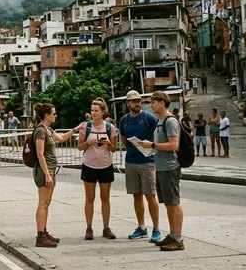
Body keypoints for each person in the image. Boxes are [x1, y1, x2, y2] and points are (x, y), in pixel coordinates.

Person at [137, 90, 185, 251]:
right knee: (168, 203)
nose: (151, 105)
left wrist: (152, 145)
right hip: (161, 167)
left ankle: (177, 238)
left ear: (162, 103)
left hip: (170, 167)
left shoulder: (170, 121)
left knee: (174, 202)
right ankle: (172, 235)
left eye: (153, 102)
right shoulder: (159, 121)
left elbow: (174, 145)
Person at [32, 103, 82, 248]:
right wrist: (47, 174)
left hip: (51, 169)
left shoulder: (48, 129)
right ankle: (40, 236)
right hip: (45, 170)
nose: (56, 115)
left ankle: (44, 232)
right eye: (53, 113)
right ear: (47, 115)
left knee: (47, 203)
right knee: (43, 203)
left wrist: (75, 129)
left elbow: (61, 138)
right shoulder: (40, 131)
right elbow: (40, 154)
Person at [119, 90, 161, 243]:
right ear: (128, 103)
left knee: (150, 195)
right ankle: (141, 227)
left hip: (147, 161)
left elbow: (156, 136)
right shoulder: (124, 120)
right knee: (136, 195)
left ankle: (156, 228)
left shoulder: (148, 118)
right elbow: (124, 140)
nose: (137, 103)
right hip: (131, 161)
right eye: (134, 101)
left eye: (139, 101)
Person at [77, 97, 118, 241]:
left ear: (103, 112)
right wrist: (87, 142)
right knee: (89, 198)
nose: (93, 113)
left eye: (96, 111)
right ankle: (89, 227)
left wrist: (108, 144)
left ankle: (106, 227)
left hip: (105, 165)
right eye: (92, 110)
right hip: (89, 165)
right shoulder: (86, 127)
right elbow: (79, 146)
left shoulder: (110, 128)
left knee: (105, 197)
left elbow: (114, 148)